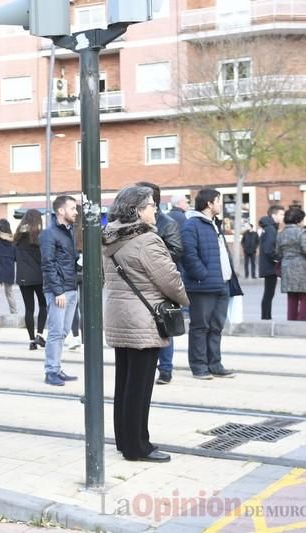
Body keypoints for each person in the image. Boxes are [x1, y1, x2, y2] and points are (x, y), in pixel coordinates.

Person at [102, 186, 188, 463]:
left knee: (125, 382)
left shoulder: (109, 236)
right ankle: (138, 446)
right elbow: (169, 279)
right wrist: (184, 299)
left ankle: (124, 439)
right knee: (140, 386)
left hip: (119, 315)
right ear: (137, 210)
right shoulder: (147, 240)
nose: (155, 210)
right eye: (151, 205)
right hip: (143, 318)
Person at [180, 188, 235, 380]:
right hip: (202, 285)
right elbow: (188, 254)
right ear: (209, 204)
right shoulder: (191, 225)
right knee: (200, 327)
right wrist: (202, 274)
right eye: (219, 201)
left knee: (216, 327)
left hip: (222, 283)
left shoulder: (214, 224)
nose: (221, 204)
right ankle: (199, 367)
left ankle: (215, 364)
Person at [135, 181, 182, 386]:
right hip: (139, 284)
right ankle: (148, 367)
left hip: (161, 283)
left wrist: (151, 259)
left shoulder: (168, 223)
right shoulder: (134, 223)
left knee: (165, 324)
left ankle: (165, 369)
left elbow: (177, 250)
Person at [40, 195, 79, 386]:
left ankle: (56, 366)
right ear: (61, 211)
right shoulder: (49, 233)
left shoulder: (68, 231)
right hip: (59, 291)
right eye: (73, 208)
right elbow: (48, 263)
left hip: (71, 289)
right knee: (56, 332)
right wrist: (58, 291)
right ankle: (51, 371)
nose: (76, 212)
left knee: (63, 332)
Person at [14, 209, 47, 350]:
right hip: (39, 276)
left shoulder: (17, 236)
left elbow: (14, 257)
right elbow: (43, 258)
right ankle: (40, 334)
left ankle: (32, 340)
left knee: (29, 309)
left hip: (22, 277)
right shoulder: (40, 236)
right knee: (43, 305)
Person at [276, 207, 306, 322]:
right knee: (305, 296)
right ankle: (302, 322)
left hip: (287, 266)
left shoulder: (281, 233)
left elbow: (278, 252)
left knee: (291, 297)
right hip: (302, 267)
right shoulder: (301, 232)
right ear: (298, 220)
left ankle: (291, 322)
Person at [258, 206, 285, 320]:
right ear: (274, 215)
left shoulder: (269, 228)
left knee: (268, 293)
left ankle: (267, 316)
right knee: (269, 294)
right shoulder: (270, 229)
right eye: (281, 214)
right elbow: (269, 249)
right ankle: (266, 318)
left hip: (267, 265)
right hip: (270, 266)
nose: (283, 217)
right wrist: (277, 258)